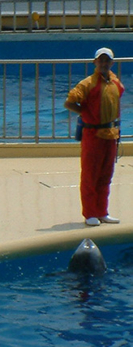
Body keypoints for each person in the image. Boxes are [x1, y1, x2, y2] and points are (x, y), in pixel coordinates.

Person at [65, 48, 123, 227]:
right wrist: (86, 113)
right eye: (101, 60)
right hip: (93, 134)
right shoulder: (87, 83)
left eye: (107, 61)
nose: (104, 63)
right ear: (95, 63)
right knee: (91, 175)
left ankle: (102, 211)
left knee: (106, 175)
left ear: (112, 63)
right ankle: (90, 213)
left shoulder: (115, 82)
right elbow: (69, 102)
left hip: (110, 134)